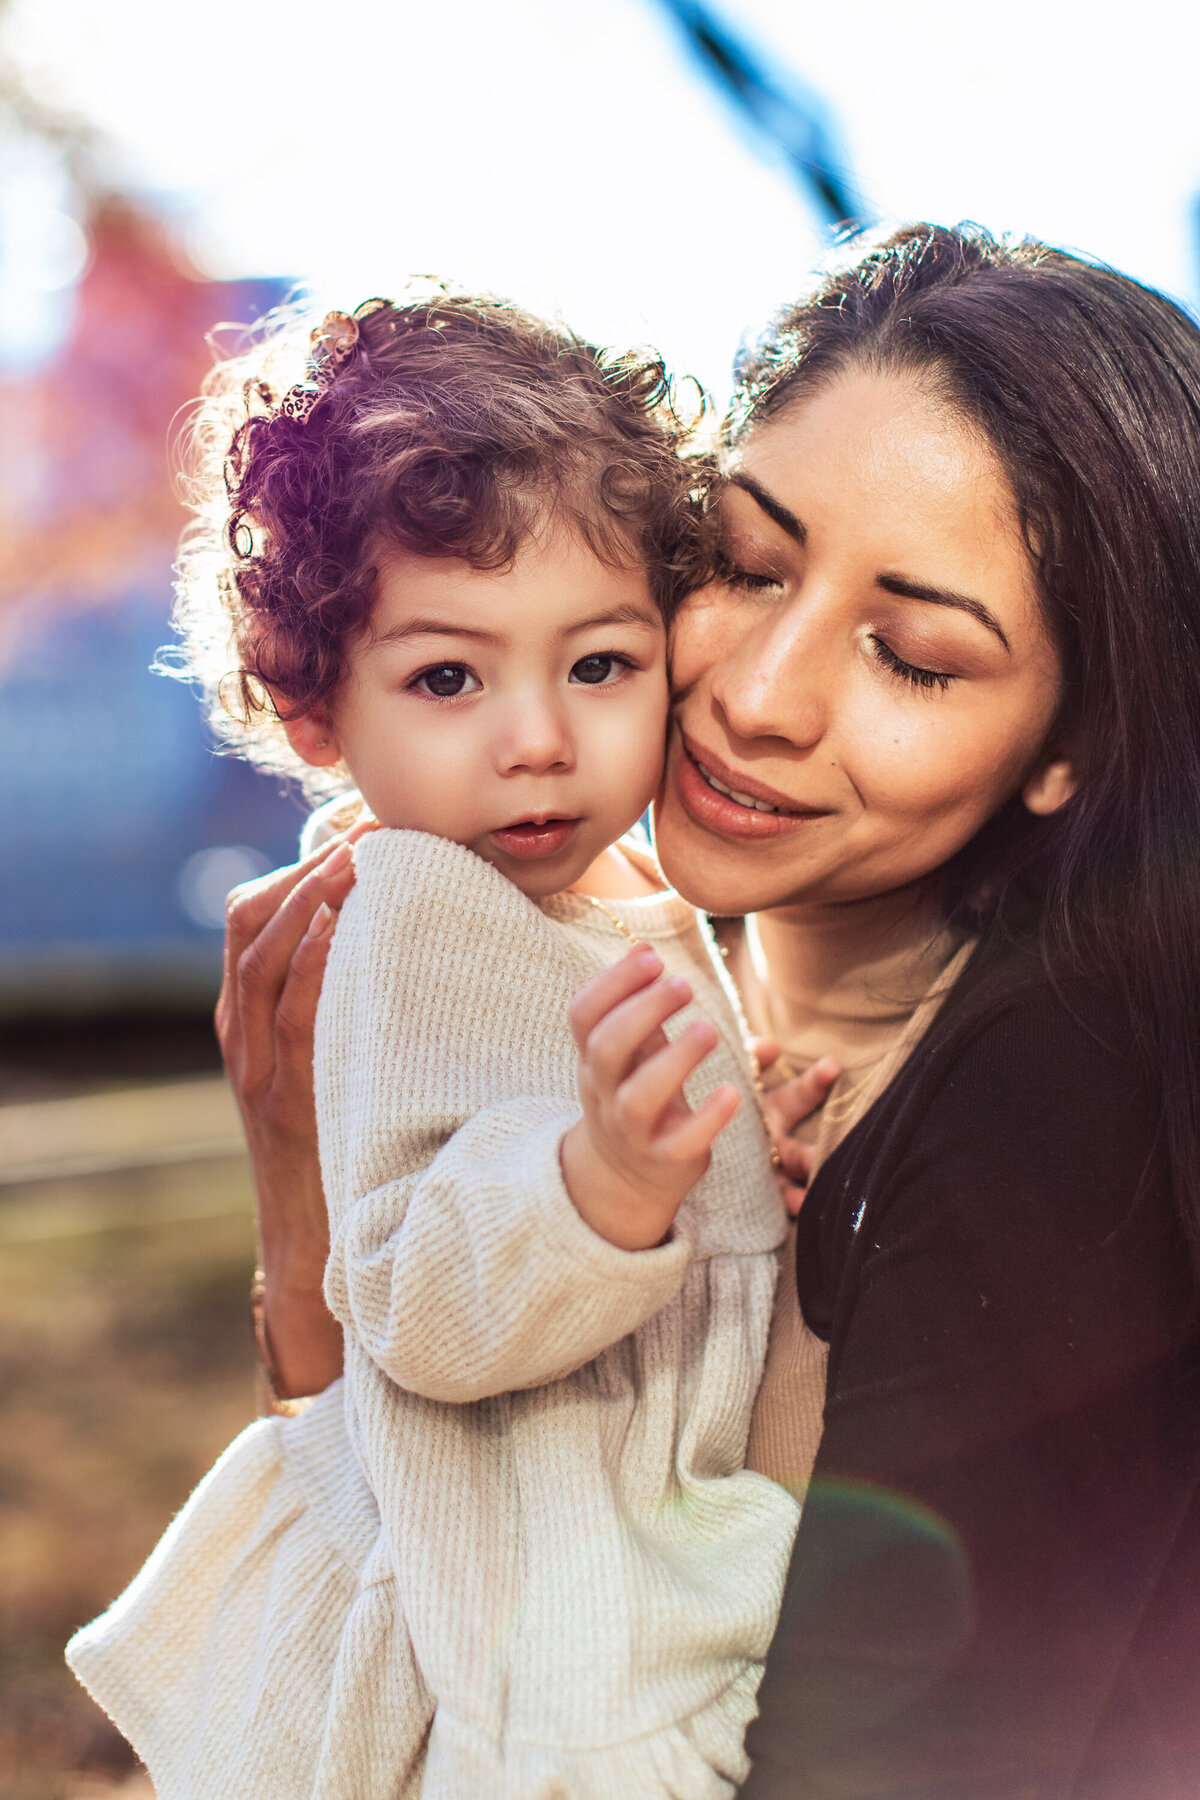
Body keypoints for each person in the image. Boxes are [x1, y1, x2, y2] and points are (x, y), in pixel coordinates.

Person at [225, 228, 1200, 1797]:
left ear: (1067, 746)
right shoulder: (612, 1001)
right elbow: (417, 1560)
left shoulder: (1046, 1118)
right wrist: (307, 1219)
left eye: (914, 657)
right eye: (747, 565)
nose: (757, 694)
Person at [67, 293, 839, 1800]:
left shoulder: (617, 887)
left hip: (649, 1545)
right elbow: (414, 1294)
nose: (537, 738)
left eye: (599, 665)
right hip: (560, 1623)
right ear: (309, 706)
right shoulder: (416, 907)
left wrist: (736, 1139)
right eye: (446, 679)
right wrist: (602, 1184)